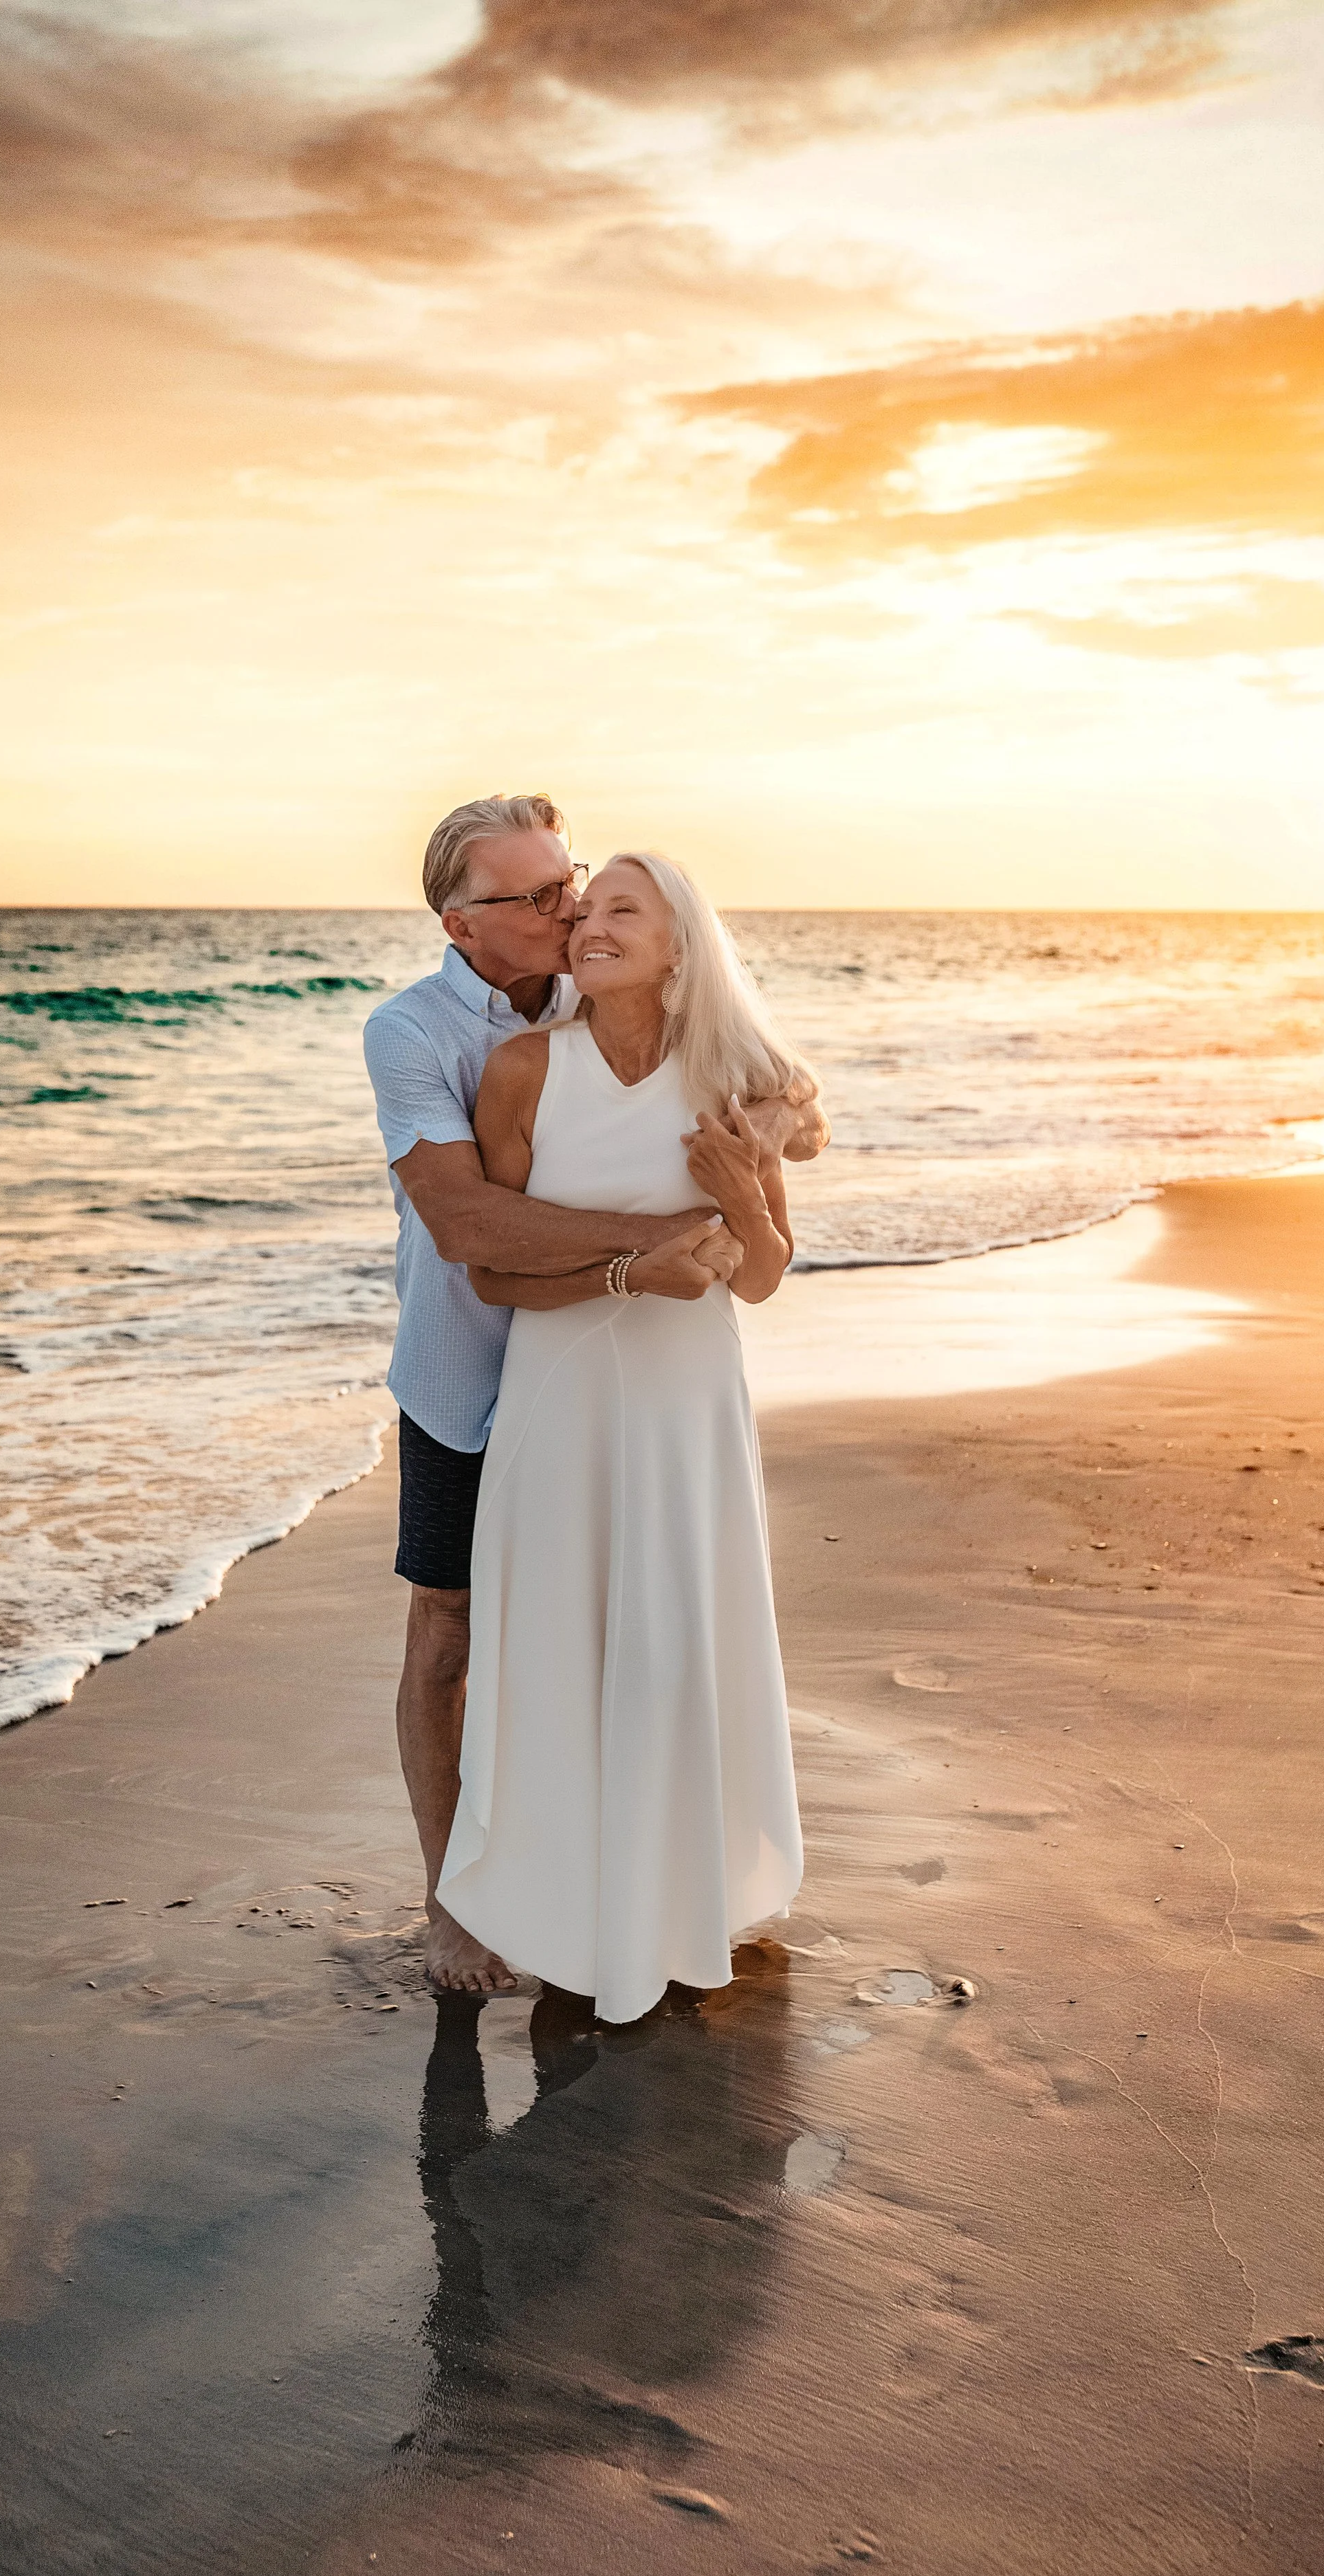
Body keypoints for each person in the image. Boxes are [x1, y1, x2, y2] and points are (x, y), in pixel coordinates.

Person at [362, 796, 826, 1995]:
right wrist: (666, 1242)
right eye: (541, 896)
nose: (570, 909)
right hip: (477, 1361)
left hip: (647, 1377)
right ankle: (453, 1902)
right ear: (464, 925)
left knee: (663, 1620)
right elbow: (466, 1224)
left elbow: (784, 1094)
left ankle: (668, 1876)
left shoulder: (594, 980)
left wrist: (761, 1145)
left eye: (573, 883)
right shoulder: (415, 1035)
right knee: (453, 1627)